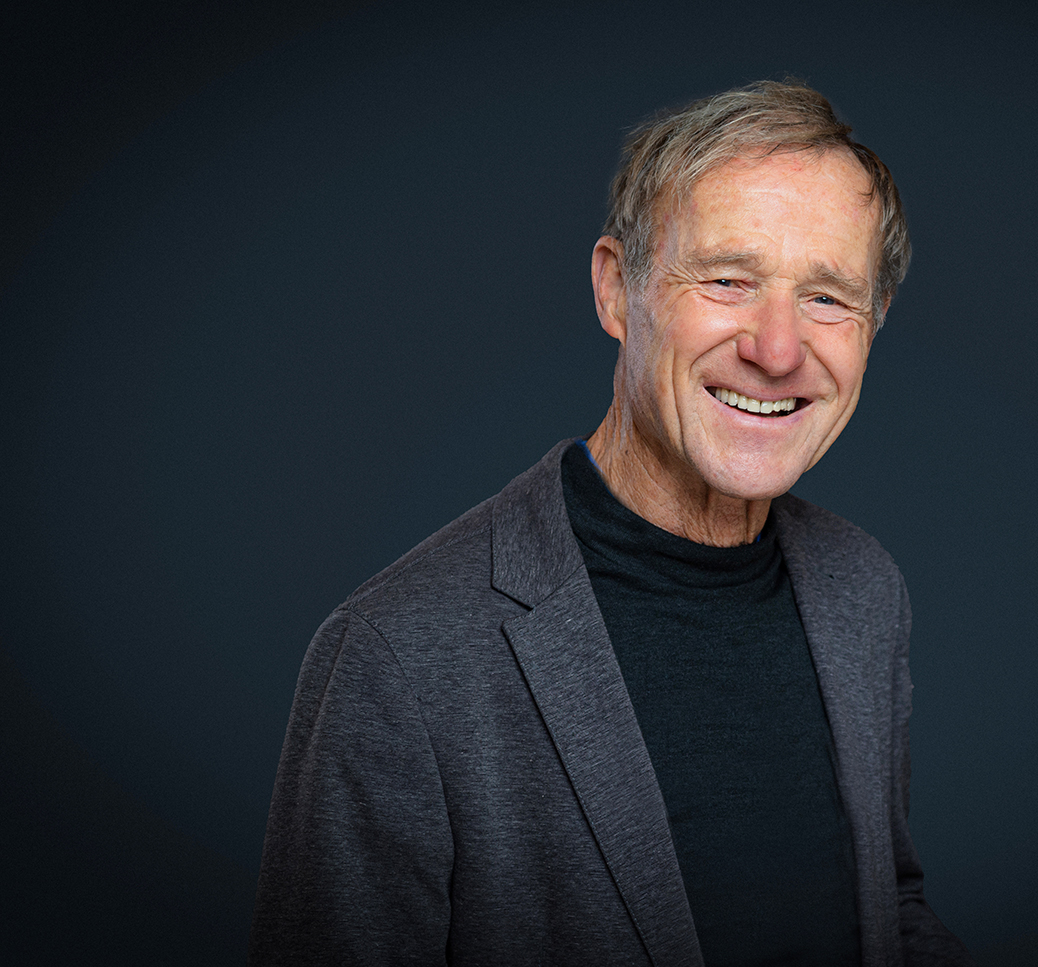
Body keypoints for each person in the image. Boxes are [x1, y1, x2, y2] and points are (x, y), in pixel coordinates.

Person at [249, 80, 974, 966]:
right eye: (727, 280)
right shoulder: (394, 657)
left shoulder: (863, 588)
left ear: (874, 323)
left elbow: (885, 908)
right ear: (616, 290)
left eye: (827, 296)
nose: (778, 348)